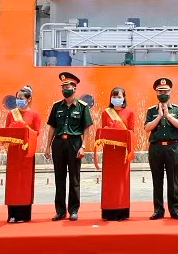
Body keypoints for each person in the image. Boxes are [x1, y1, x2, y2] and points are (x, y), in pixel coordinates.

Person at [44, 72, 93, 222]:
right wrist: (47, 146)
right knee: (59, 178)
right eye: (63, 86)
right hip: (58, 143)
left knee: (74, 178)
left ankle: (73, 210)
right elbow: (52, 127)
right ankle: (60, 211)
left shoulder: (82, 107)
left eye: (68, 86)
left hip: (74, 143)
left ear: (74, 88)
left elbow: (86, 128)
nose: (65, 89)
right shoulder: (56, 106)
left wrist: (83, 146)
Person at [144, 77, 178, 220]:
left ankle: (174, 210)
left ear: (170, 92)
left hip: (172, 148)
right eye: (160, 91)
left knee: (173, 180)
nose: (163, 93)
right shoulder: (151, 110)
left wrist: (168, 116)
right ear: (156, 93)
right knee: (157, 180)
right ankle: (158, 210)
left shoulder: (177, 109)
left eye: (166, 91)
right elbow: (146, 128)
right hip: (156, 148)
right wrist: (159, 116)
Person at [3, 85, 41, 223]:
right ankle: (12, 213)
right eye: (17, 98)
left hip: (27, 152)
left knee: (24, 182)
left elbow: (37, 132)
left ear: (29, 99)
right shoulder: (11, 114)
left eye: (21, 98)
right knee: (12, 182)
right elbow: (7, 130)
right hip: (13, 151)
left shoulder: (34, 115)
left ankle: (24, 214)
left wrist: (24, 130)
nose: (18, 101)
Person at [99, 87, 135, 221]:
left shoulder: (129, 112)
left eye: (119, 97)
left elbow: (131, 131)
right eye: (114, 96)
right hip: (109, 152)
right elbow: (103, 130)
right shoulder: (106, 112)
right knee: (109, 181)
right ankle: (108, 210)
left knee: (121, 182)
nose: (116, 99)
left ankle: (122, 209)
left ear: (124, 98)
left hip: (122, 152)